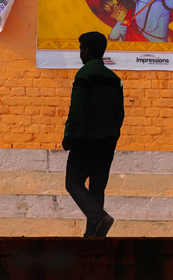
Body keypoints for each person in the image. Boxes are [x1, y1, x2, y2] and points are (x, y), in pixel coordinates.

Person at [62, 30, 125, 237]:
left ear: (86, 51)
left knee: (73, 182)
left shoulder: (85, 74)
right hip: (106, 141)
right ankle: (94, 236)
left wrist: (69, 133)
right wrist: (113, 135)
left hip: (86, 138)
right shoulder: (114, 79)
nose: (80, 52)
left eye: (81, 48)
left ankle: (98, 219)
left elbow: (77, 108)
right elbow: (119, 114)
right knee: (97, 187)